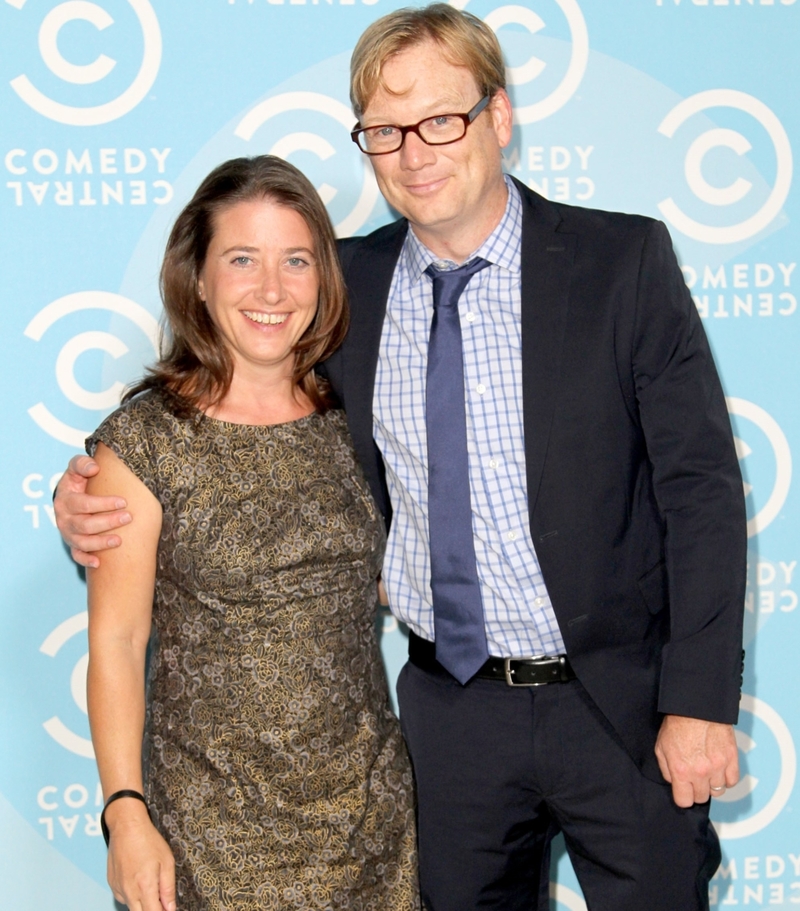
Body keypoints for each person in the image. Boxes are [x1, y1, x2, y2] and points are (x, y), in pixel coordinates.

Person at [55, 5, 746, 910]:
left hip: (618, 701)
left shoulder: (621, 261)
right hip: (449, 719)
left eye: (441, 120)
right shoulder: (344, 287)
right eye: (386, 129)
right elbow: (228, 415)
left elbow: (700, 489)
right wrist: (91, 489)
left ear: (498, 118)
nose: (415, 151)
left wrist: (699, 701)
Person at [79, 155, 418, 911]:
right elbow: (116, 642)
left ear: (324, 277)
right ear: (196, 277)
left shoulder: (357, 418)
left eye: (295, 260)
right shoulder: (144, 444)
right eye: (242, 260)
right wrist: (124, 811)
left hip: (372, 826)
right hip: (210, 838)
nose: (272, 289)